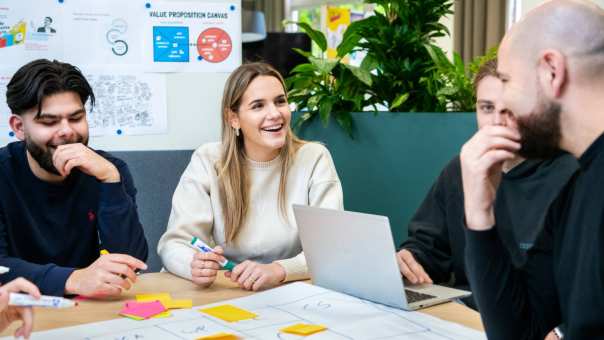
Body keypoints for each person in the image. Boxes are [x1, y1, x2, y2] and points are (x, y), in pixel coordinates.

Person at [461, 0, 604, 339]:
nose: (502, 108)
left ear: (551, 71)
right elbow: (520, 330)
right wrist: (480, 213)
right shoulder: (577, 187)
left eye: (508, 81)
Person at [396, 59, 578, 311]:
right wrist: (410, 260)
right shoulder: (460, 169)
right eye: (487, 107)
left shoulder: (573, 176)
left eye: (511, 109)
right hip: (466, 315)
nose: (497, 122)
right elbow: (428, 246)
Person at [158, 62, 343, 291]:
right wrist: (193, 265)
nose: (275, 114)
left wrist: (279, 270)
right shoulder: (208, 159)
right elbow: (174, 243)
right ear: (233, 118)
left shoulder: (314, 158)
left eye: (280, 101)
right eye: (258, 106)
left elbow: (330, 248)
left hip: (292, 290)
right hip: (227, 290)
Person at [0, 59, 148, 297]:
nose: (67, 131)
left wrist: (111, 181)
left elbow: (132, 262)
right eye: (49, 122)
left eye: (76, 118)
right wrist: (73, 279)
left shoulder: (110, 169)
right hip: (15, 310)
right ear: (19, 127)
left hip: (90, 307)